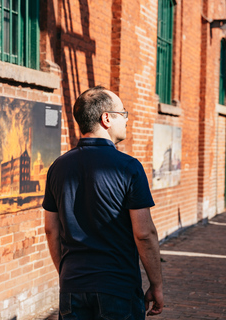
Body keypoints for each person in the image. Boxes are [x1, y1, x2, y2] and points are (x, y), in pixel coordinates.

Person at [43, 86, 163, 319]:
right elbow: (144, 233)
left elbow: (50, 229)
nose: (126, 120)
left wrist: (67, 275)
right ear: (106, 118)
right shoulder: (129, 168)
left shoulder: (57, 167)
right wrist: (156, 284)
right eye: (123, 113)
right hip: (117, 286)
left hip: (73, 286)